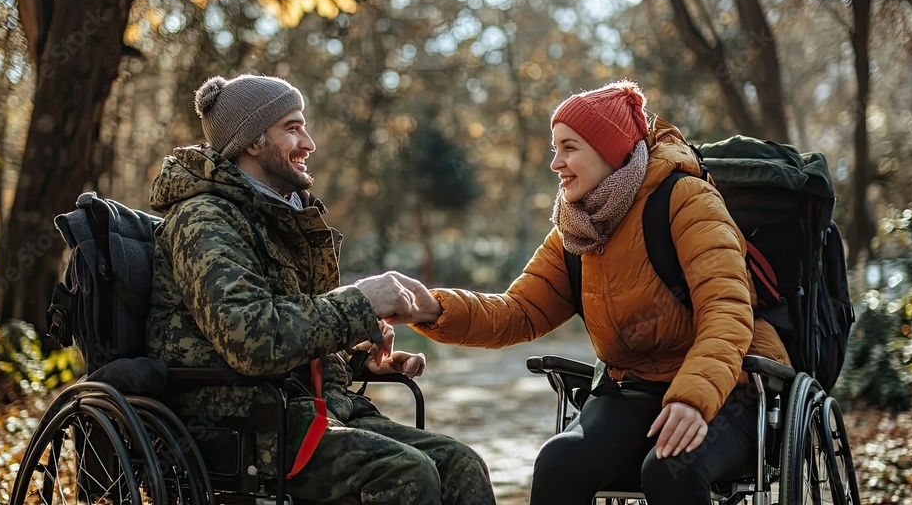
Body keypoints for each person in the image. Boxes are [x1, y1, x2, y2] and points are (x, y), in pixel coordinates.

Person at [391, 81, 791, 504]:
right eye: (554, 148)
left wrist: (693, 399)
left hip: (731, 388)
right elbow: (519, 311)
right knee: (560, 461)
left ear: (609, 151)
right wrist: (433, 307)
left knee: (671, 471)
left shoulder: (686, 200)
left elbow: (726, 312)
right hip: (637, 388)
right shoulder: (576, 228)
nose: (555, 163)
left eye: (569, 147)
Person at [146, 73, 495, 505]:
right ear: (253, 142)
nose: (308, 142)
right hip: (240, 425)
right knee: (405, 474)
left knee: (461, 464)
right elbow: (250, 339)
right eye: (292, 128)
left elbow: (293, 324)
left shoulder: (277, 219)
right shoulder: (204, 220)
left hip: (302, 410)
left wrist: (355, 360)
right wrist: (360, 302)